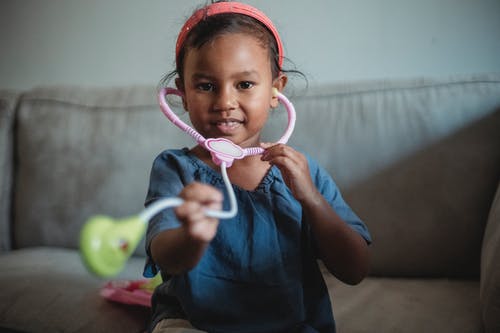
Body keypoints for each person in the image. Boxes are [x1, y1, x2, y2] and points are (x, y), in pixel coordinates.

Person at [143, 1, 371, 332]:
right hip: (193, 321)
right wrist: (192, 236)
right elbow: (165, 254)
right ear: (183, 94)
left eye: (245, 85)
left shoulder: (300, 173)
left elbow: (355, 270)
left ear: (276, 91)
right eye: (206, 86)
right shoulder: (175, 168)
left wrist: (312, 199)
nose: (224, 102)